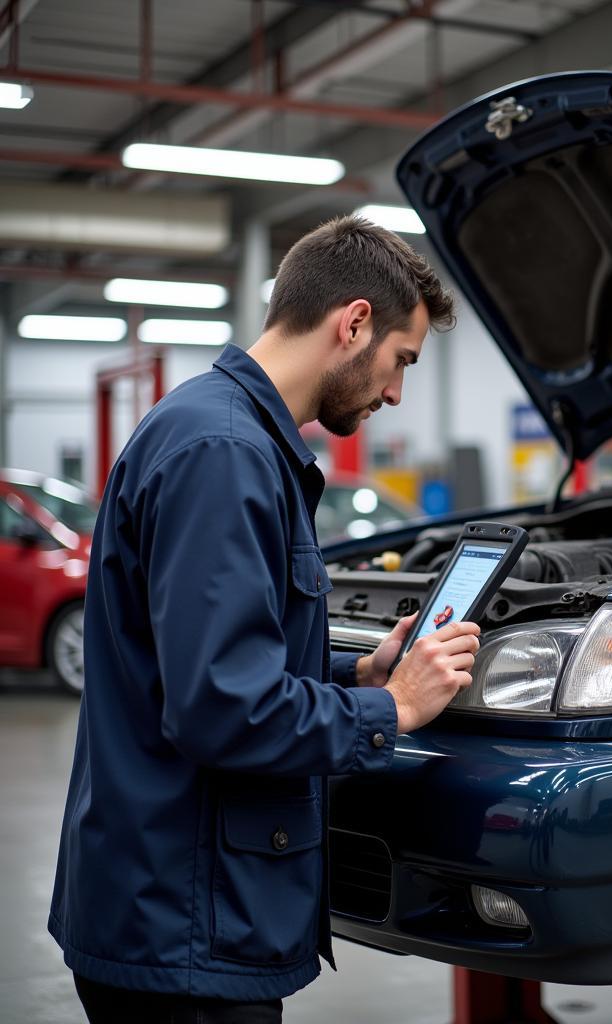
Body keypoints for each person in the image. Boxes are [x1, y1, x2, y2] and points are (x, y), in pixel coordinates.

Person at [49, 216, 480, 1023]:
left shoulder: (214, 428)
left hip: (165, 901)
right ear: (352, 323)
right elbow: (221, 708)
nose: (394, 392)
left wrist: (355, 675)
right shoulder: (227, 454)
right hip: (185, 929)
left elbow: (201, 658)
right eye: (400, 362)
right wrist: (395, 708)